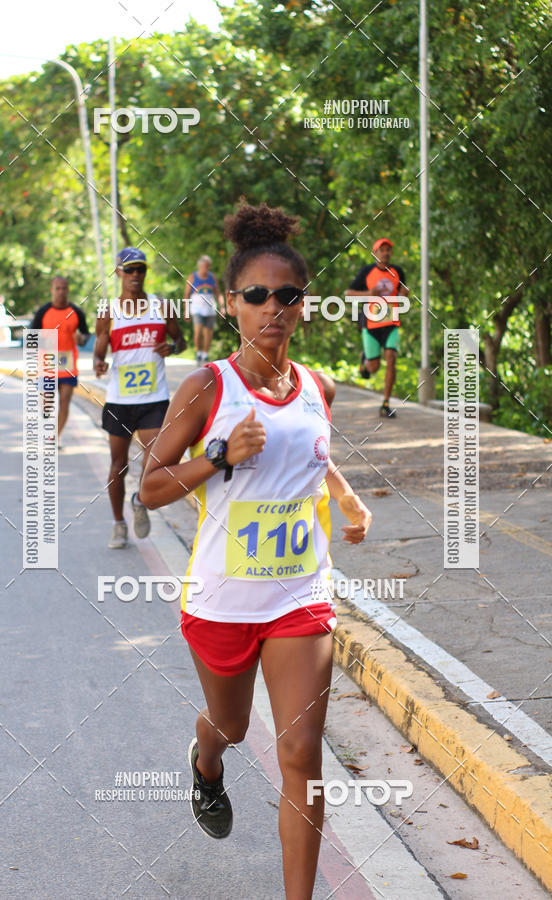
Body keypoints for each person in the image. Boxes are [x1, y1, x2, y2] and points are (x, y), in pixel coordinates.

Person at [140, 203, 372, 899]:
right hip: (221, 601)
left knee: (301, 752)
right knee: (234, 726)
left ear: (304, 305)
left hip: (299, 596)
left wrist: (349, 499)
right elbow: (150, 487)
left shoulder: (319, 387)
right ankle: (207, 761)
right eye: (257, 296)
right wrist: (218, 454)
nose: (273, 308)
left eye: (288, 295)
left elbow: (313, 456)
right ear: (232, 304)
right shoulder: (208, 386)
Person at [94, 247, 186, 549]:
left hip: (154, 399)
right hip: (120, 400)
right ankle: (118, 524)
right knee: (118, 464)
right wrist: (99, 362)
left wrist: (172, 349)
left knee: (155, 461)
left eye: (140, 270)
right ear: (118, 272)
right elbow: (100, 347)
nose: (135, 275)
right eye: (129, 270)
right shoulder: (108, 312)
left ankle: (139, 500)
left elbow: (180, 340)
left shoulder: (162, 306)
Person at [345, 238, 409, 418]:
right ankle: (365, 361)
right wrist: (369, 294)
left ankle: (385, 404)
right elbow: (348, 294)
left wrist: (405, 294)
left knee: (391, 357)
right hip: (371, 322)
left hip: (391, 322)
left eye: (389, 249)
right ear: (375, 253)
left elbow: (402, 293)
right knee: (373, 368)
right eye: (382, 250)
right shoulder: (367, 272)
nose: (386, 252)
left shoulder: (398, 271)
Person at [30, 277, 89, 443]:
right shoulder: (43, 312)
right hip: (47, 363)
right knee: (47, 403)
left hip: (67, 364)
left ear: (68, 290)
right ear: (52, 290)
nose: (61, 292)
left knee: (65, 401)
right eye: (58, 288)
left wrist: (81, 339)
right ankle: (46, 417)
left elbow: (85, 335)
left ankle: (55, 437)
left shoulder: (77, 312)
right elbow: (31, 338)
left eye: (64, 288)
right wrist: (45, 341)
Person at [183, 255, 225, 365]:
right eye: (205, 266)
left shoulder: (212, 277)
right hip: (197, 308)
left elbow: (218, 293)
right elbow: (186, 295)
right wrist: (186, 311)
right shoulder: (192, 277)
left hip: (210, 308)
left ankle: (205, 355)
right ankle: (198, 352)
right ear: (200, 266)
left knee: (208, 333)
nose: (207, 268)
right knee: (198, 331)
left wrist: (222, 307)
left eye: (209, 266)